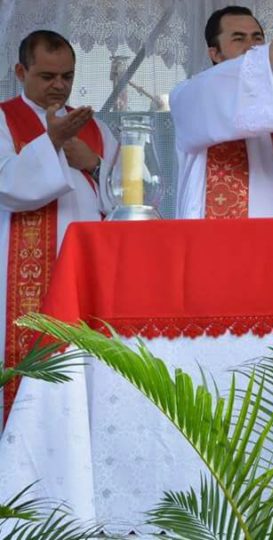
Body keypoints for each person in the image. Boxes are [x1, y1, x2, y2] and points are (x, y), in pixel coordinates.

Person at [0, 30, 118, 414]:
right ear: (21, 71)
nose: (60, 86)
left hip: (85, 266)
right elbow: (9, 186)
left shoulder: (96, 128)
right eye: (48, 77)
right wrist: (50, 144)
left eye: (67, 76)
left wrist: (95, 165)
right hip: (17, 269)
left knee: (82, 372)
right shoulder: (3, 120)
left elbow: (130, 197)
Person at [172, 5, 273, 219]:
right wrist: (268, 55)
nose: (252, 47)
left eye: (257, 38)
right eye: (239, 39)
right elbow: (214, 87)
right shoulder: (190, 96)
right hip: (219, 240)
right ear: (214, 53)